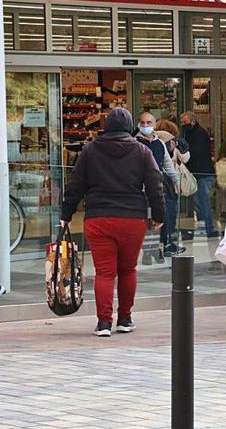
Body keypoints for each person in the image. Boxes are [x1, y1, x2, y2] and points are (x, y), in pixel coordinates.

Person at [60, 108, 165, 336]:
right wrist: (159, 215)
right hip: (132, 218)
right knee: (128, 270)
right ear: (129, 126)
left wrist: (65, 214)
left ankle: (104, 323)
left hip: (98, 218)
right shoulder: (142, 151)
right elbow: (156, 184)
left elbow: (75, 185)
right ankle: (125, 319)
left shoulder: (90, 151)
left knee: (104, 273)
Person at [135, 112, 179, 265]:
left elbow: (167, 164)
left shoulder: (159, 143)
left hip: (158, 186)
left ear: (154, 124)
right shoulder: (136, 143)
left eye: (149, 122)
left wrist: (175, 180)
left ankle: (156, 248)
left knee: (160, 217)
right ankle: (148, 250)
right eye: (143, 123)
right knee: (147, 220)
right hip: (142, 188)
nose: (145, 126)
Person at [179, 111, 218, 238]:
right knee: (199, 202)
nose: (183, 125)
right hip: (196, 173)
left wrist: (185, 150)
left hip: (203, 173)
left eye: (185, 122)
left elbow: (198, 152)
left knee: (204, 201)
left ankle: (209, 228)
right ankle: (203, 227)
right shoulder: (189, 134)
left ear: (193, 121)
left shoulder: (199, 134)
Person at [153, 118, 188, 257]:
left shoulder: (152, 140)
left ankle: (156, 247)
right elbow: (185, 159)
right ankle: (168, 244)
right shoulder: (169, 141)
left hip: (154, 183)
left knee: (159, 215)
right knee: (170, 214)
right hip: (168, 183)